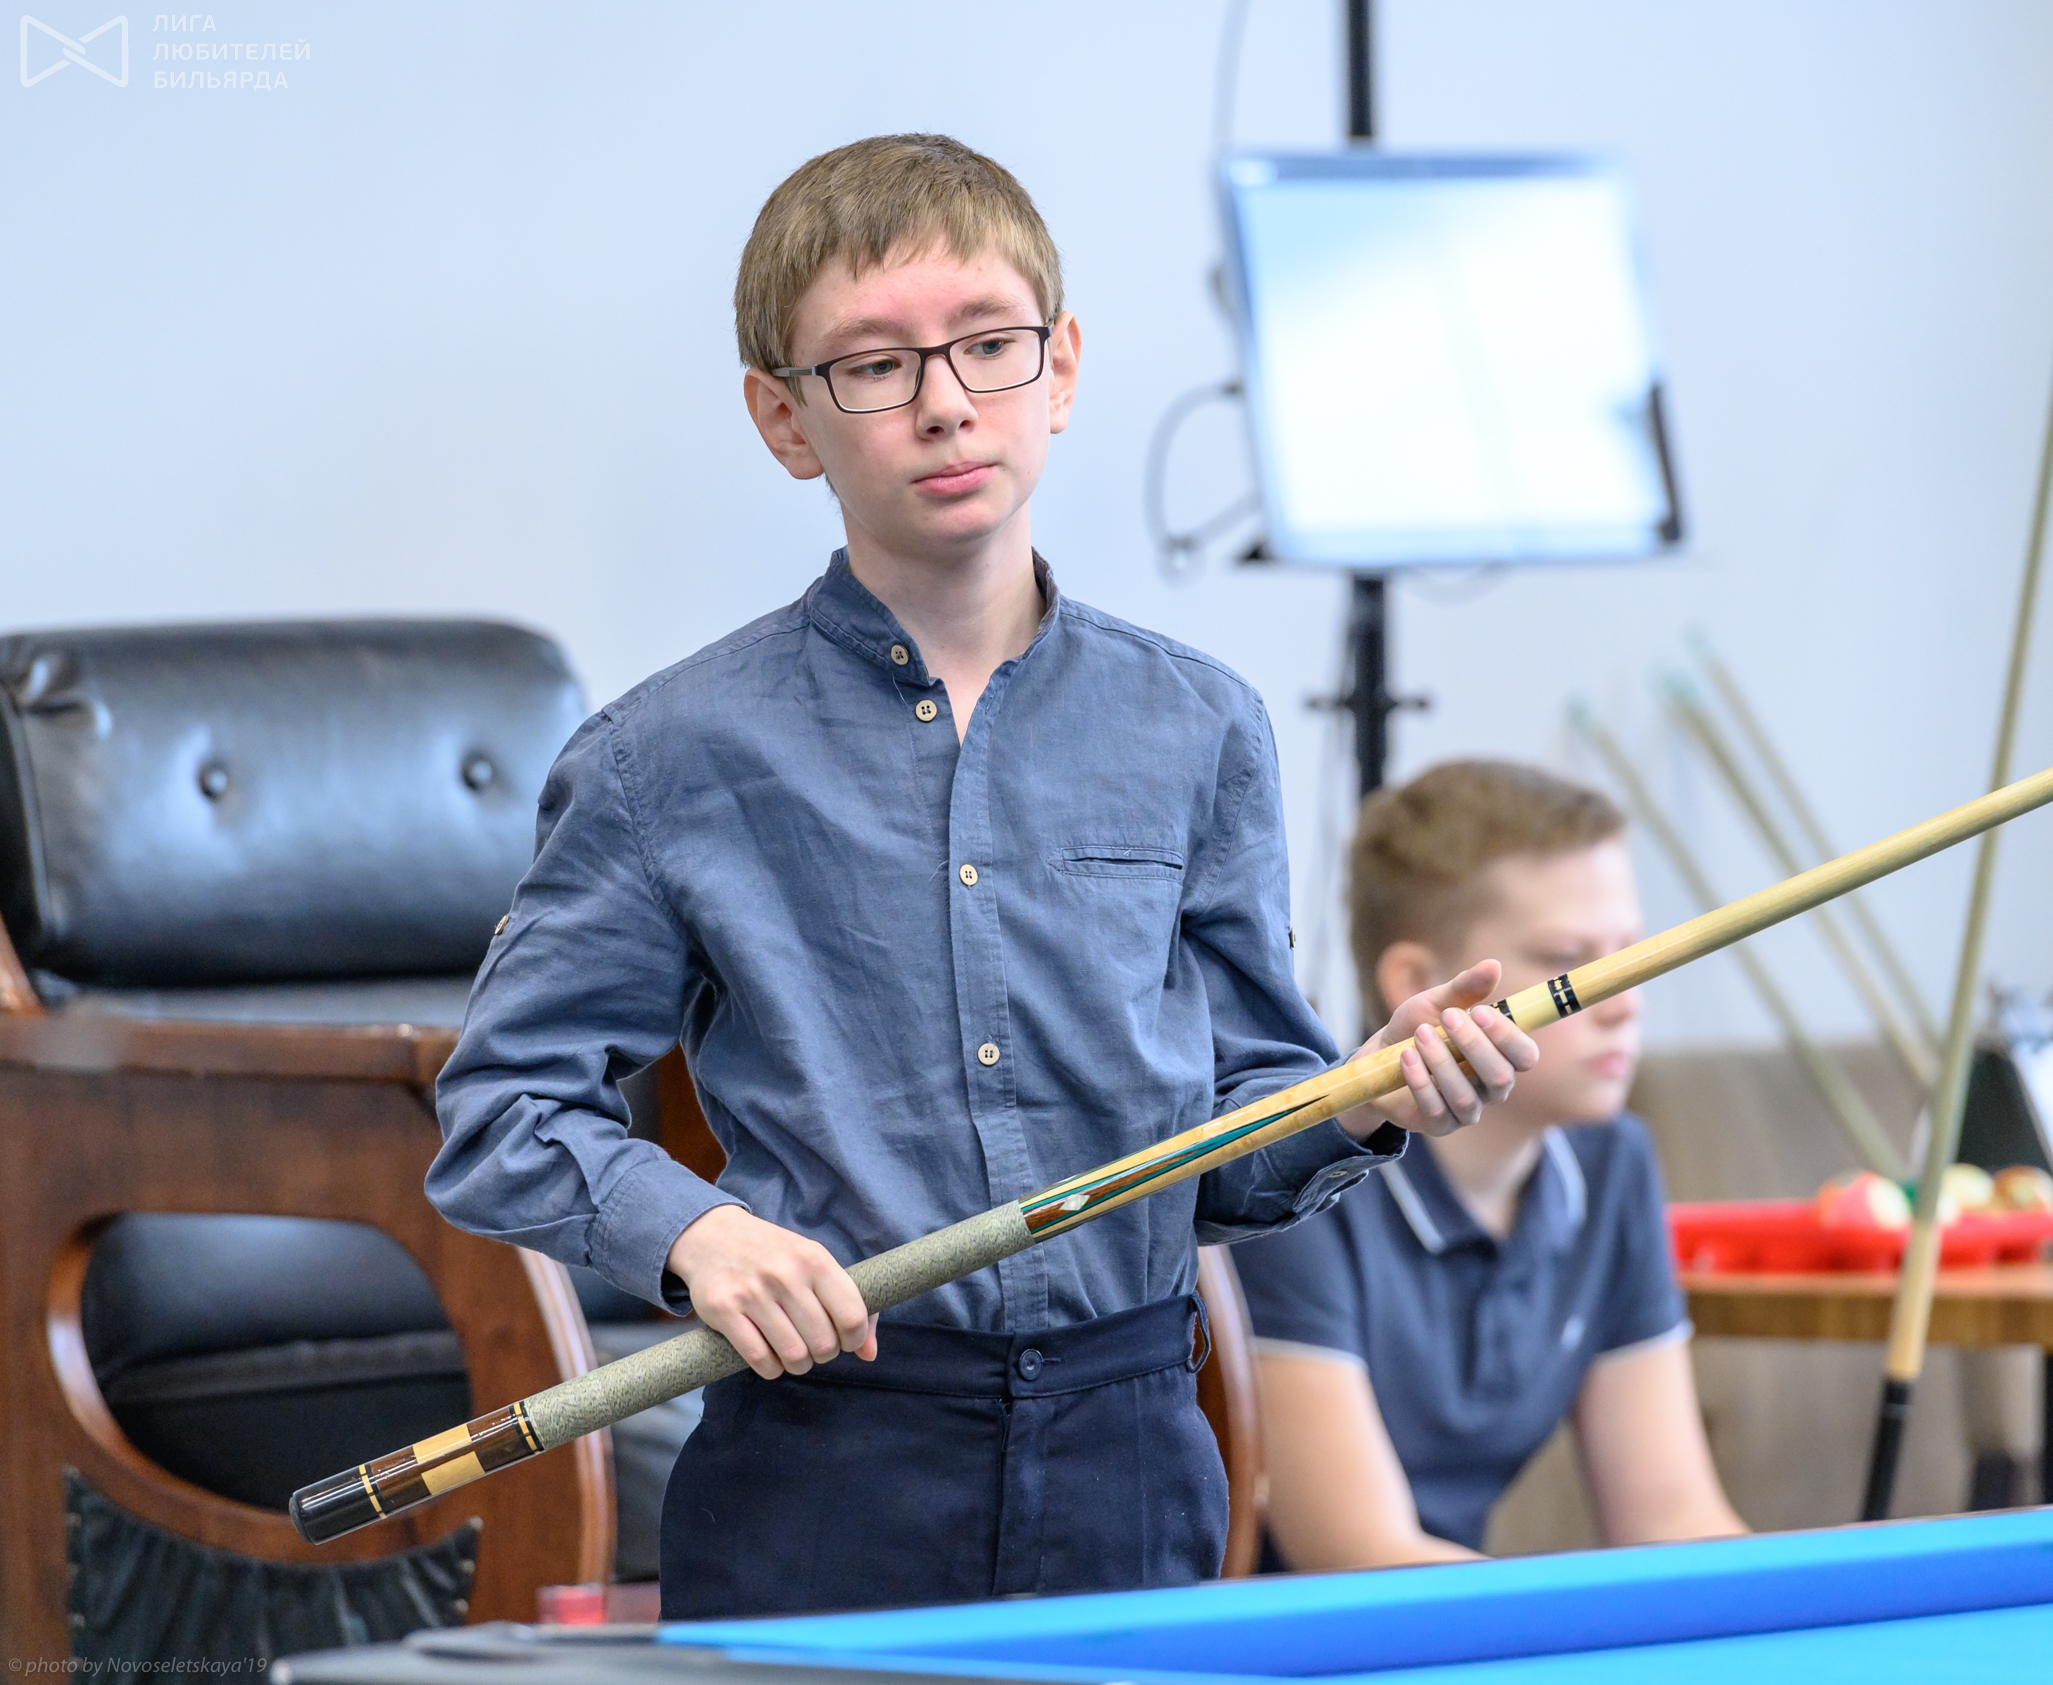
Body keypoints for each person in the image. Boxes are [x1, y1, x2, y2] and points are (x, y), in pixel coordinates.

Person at [424, 135, 1537, 1618]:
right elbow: (502, 1111)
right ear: (785, 417)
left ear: (1060, 367)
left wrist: (1366, 1094)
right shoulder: (664, 758)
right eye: (874, 365)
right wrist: (696, 1230)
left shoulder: (1200, 726)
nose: (945, 401)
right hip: (830, 1459)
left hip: (1135, 1445)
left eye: (989, 344)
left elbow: (1238, 1137)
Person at [1236, 760, 1745, 1569]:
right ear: (1417, 983)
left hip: (1467, 1617)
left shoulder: (1613, 1164)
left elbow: (1672, 1516)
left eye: (1630, 953)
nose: (1625, 1001)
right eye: (1572, 960)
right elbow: (1359, 1554)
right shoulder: (1298, 1184)